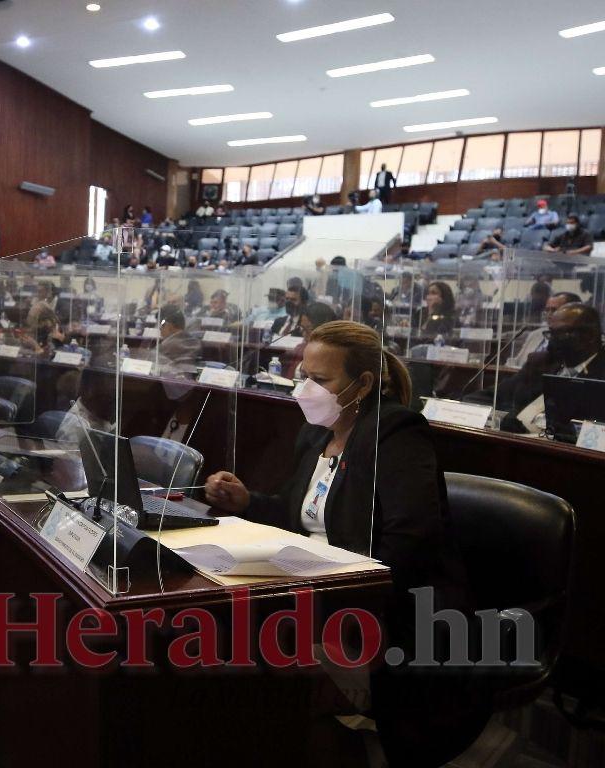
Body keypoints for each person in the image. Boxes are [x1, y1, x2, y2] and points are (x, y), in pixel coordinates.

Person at [204, 321, 473, 765]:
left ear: (363, 383)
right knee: (226, 636)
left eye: (321, 380)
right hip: (313, 593)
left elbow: (411, 542)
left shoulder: (396, 431)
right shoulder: (316, 434)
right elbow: (301, 518)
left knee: (259, 656)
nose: (306, 388)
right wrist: (247, 501)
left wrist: (333, 589)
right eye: (303, 376)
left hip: (382, 609)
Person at [499, 303, 605, 434]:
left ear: (589, 336)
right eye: (551, 333)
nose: (552, 341)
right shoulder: (542, 362)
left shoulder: (600, 372)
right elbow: (499, 393)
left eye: (560, 333)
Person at [510, 291, 581, 368]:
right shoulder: (535, 335)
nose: (549, 314)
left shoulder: (575, 340)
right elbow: (516, 361)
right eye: (547, 310)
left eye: (554, 310)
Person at [282, 302, 337, 378]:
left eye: (307, 329)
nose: (303, 333)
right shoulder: (300, 348)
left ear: (322, 328)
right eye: (302, 328)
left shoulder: (333, 355)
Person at [158, 305, 201, 374]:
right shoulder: (195, 342)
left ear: (169, 326)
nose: (160, 329)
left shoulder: (167, 346)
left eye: (161, 325)